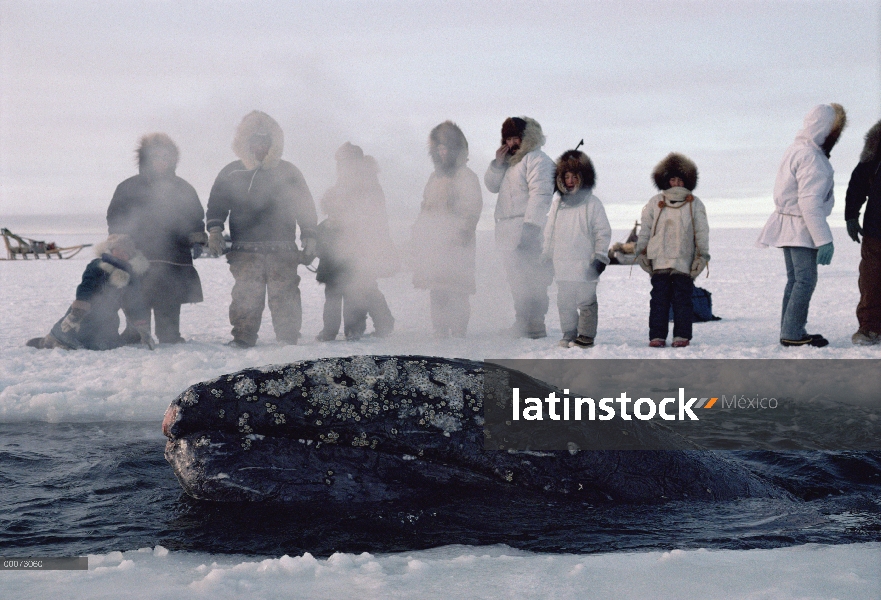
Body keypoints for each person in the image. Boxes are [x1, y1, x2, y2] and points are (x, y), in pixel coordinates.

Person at [206, 111, 318, 347]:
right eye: (255, 141)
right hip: (245, 250)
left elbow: (304, 205)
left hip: (282, 248)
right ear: (246, 144)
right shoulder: (232, 171)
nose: (260, 146)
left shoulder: (288, 171)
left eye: (265, 141)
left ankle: (288, 337)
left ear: (273, 143)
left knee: (285, 294)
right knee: (246, 295)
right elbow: (217, 203)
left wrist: (309, 235)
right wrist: (215, 231)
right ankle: (243, 337)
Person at [757, 104, 847, 347]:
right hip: (800, 226)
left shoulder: (796, 149)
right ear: (827, 130)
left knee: (795, 280)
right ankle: (793, 333)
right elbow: (809, 204)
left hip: (787, 224)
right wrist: (824, 239)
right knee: (804, 281)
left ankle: (790, 329)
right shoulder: (812, 158)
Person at [106, 133, 205, 344]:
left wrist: (196, 238)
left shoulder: (183, 188)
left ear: (172, 159)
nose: (161, 160)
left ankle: (169, 333)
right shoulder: (128, 187)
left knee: (169, 293)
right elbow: (115, 215)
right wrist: (119, 241)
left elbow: (195, 216)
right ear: (146, 158)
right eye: (156, 155)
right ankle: (135, 332)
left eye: (165, 156)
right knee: (136, 293)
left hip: (174, 251)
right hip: (137, 250)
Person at [315, 142, 396, 341]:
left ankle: (363, 326)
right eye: (340, 162)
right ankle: (348, 328)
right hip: (342, 244)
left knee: (362, 285)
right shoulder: (342, 184)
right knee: (348, 285)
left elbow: (373, 216)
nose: (342, 166)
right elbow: (331, 207)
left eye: (346, 161)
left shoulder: (369, 185)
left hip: (362, 243)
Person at [484, 116, 556, 338]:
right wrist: (497, 164)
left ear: (526, 138)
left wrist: (531, 228)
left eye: (516, 138)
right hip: (507, 230)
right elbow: (491, 186)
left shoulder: (537, 160)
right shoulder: (508, 164)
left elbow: (541, 195)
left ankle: (536, 323)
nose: (512, 143)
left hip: (527, 228)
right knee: (516, 280)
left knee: (533, 277)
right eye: (508, 139)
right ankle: (522, 321)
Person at [410, 121, 483, 338]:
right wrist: (418, 231)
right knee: (438, 288)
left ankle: (459, 330)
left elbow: (472, 208)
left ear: (455, 150)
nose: (442, 152)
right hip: (436, 242)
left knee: (457, 289)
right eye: (438, 148)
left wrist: (461, 232)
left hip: (458, 242)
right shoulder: (434, 177)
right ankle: (440, 329)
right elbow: (426, 207)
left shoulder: (466, 176)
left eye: (446, 148)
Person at [26, 234, 154, 350]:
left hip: (107, 319)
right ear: (110, 250)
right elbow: (86, 287)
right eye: (117, 250)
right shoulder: (98, 266)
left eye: (125, 252)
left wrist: (143, 328)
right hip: (85, 311)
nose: (121, 254)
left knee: (103, 344)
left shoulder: (131, 277)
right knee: (67, 333)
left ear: (130, 256)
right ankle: (47, 342)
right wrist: (78, 311)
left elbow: (134, 302)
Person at [635, 153, 710, 348]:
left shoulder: (695, 203)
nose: (676, 183)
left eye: (679, 179)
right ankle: (657, 336)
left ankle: (681, 336)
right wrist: (641, 251)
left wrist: (702, 257)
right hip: (659, 259)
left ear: (687, 180)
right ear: (666, 180)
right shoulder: (655, 202)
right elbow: (646, 229)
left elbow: (702, 232)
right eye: (672, 178)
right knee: (658, 300)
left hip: (683, 260)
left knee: (682, 301)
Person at [542, 149, 611, 348]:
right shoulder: (558, 204)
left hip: (585, 264)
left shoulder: (592, 203)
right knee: (565, 303)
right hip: (562, 264)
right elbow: (550, 232)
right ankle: (569, 333)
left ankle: (586, 335)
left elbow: (602, 232)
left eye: (574, 176)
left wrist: (600, 258)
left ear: (583, 177)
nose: (570, 180)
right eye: (566, 176)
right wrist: (546, 256)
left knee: (586, 301)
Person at [845, 119, 881, 346]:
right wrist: (851, 215)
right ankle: (869, 328)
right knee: (872, 281)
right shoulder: (876, 152)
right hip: (876, 233)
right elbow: (857, 184)